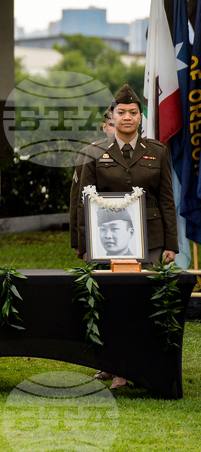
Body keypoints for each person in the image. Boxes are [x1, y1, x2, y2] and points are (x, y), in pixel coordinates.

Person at [76, 84, 178, 390]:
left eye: (133, 112)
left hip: (151, 240)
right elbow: (84, 202)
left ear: (140, 117)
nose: (128, 117)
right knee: (114, 304)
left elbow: (166, 199)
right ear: (112, 116)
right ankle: (117, 367)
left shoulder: (157, 151)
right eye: (121, 112)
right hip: (108, 241)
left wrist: (171, 244)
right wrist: (84, 245)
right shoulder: (95, 153)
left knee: (145, 303)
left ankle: (145, 367)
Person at [70, 104, 117, 254]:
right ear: (104, 127)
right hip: (101, 229)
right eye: (112, 125)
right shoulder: (90, 153)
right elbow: (78, 199)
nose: (116, 130)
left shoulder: (142, 152)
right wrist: (78, 241)